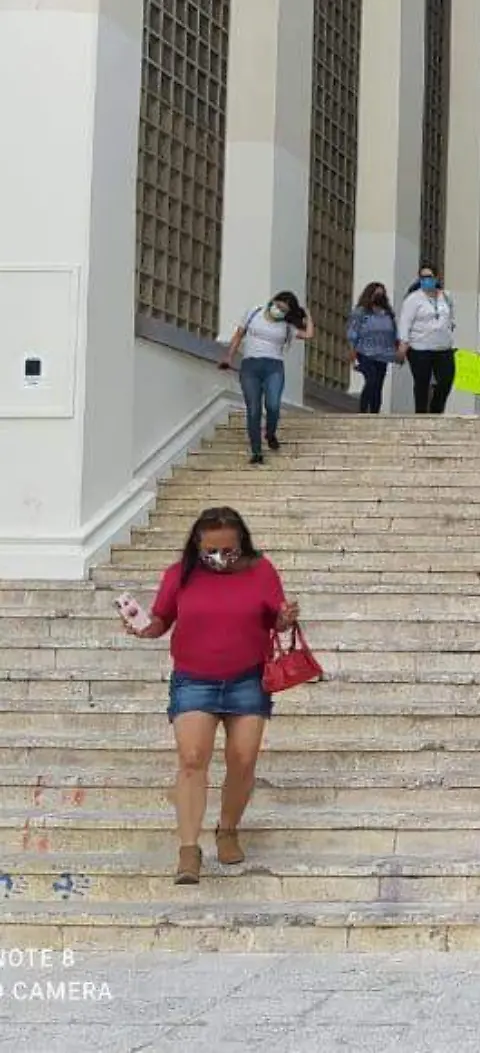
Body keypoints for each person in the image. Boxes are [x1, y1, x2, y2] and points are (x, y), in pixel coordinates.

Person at [123, 507, 298, 885]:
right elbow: (161, 621)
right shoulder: (179, 574)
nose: (220, 558)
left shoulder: (262, 571)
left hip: (248, 680)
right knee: (191, 758)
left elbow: (276, 619)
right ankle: (188, 848)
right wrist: (142, 628)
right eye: (211, 551)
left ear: (242, 545)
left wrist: (286, 617)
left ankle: (228, 829)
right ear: (196, 547)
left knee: (242, 759)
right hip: (194, 680)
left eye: (229, 551)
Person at [219, 291, 313, 465]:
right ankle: (256, 451)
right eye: (278, 306)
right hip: (250, 366)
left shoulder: (286, 326)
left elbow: (308, 334)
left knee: (273, 404)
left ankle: (270, 433)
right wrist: (229, 357)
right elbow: (238, 335)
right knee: (253, 409)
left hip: (274, 367)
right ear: (272, 302)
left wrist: (307, 314)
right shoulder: (254, 312)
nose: (279, 311)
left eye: (284, 310)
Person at [397, 266, 457, 413]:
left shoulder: (446, 297)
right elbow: (405, 322)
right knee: (422, 382)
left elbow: (451, 317)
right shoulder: (413, 299)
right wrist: (403, 344)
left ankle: (436, 410)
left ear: (436, 278)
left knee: (446, 380)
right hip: (420, 348)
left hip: (443, 347)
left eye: (429, 277)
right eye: (423, 277)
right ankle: (421, 413)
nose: (426, 280)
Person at [346, 282, 400, 415]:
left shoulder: (388, 314)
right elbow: (353, 331)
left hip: (383, 354)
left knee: (378, 385)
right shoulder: (361, 312)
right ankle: (363, 410)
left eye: (382, 294)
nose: (379, 297)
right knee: (371, 380)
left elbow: (394, 333)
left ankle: (375, 413)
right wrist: (352, 349)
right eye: (376, 294)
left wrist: (397, 351)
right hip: (365, 352)